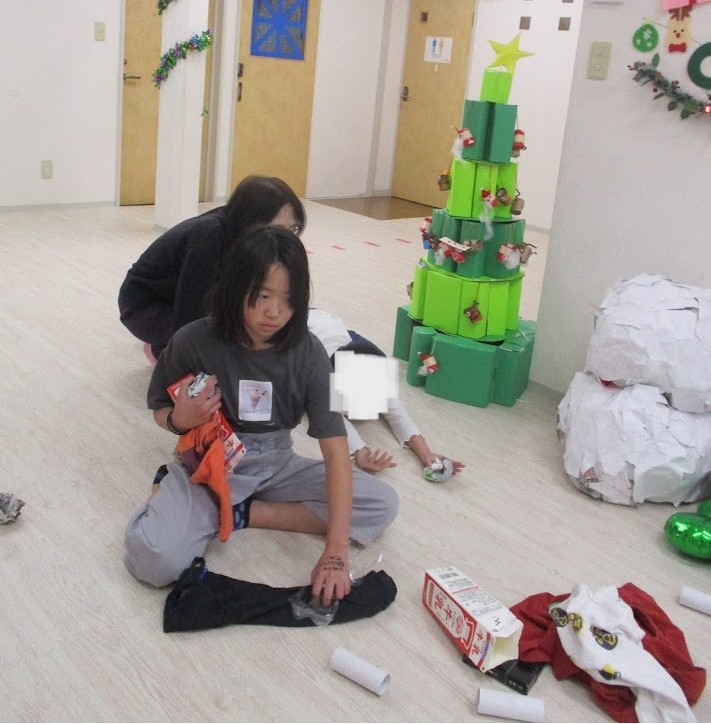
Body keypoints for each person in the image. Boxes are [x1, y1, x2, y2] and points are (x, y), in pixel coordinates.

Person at [124, 225, 399, 607]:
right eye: (263, 296)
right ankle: (180, 494)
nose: (274, 312)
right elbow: (160, 409)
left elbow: (336, 450)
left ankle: (240, 513)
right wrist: (180, 420)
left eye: (288, 299)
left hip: (277, 464)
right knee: (155, 561)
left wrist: (336, 553)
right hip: (209, 466)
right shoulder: (193, 339)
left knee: (381, 504)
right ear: (236, 289)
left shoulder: (308, 352)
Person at [118, 175, 306, 362]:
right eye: (279, 229)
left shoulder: (239, 228)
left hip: (175, 297)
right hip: (144, 306)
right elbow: (191, 307)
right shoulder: (209, 236)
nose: (287, 238)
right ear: (252, 220)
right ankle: (162, 347)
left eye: (293, 229)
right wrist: (179, 356)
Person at [307, 308, 465, 477]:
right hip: (308, 334)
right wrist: (360, 452)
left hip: (335, 332)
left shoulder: (374, 377)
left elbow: (397, 412)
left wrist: (426, 454)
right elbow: (333, 420)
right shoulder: (323, 381)